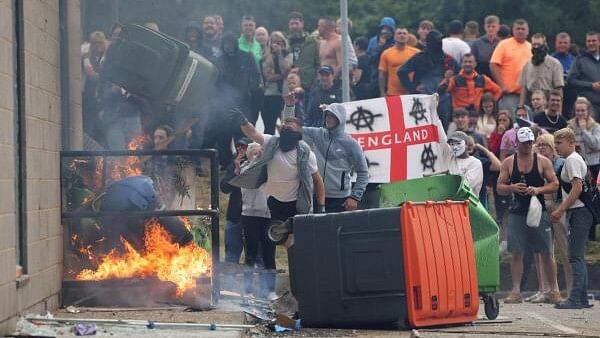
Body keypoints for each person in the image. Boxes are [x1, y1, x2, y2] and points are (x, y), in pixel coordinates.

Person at [230, 111, 326, 236]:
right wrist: (244, 121)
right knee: (281, 238)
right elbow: (253, 133)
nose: (285, 130)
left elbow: (318, 181)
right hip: (274, 200)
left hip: (296, 203)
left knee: (299, 238)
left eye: (289, 128)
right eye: (284, 127)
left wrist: (321, 206)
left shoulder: (306, 154)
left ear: (297, 135)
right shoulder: (271, 142)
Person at [497, 127, 562, 304]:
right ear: (517, 143)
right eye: (524, 143)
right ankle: (516, 290)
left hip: (538, 210)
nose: (527, 146)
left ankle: (554, 290)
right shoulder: (509, 163)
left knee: (547, 251)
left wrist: (539, 189)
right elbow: (499, 187)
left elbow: (555, 184)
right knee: (516, 252)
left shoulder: (542, 161)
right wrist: (512, 188)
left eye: (530, 143)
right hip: (517, 211)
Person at [284, 103, 369, 212]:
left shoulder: (351, 144)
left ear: (340, 119)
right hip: (315, 195)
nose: (328, 118)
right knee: (315, 229)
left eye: (332, 116)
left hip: (340, 200)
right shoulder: (316, 134)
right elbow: (291, 129)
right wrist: (289, 106)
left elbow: (363, 172)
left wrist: (355, 197)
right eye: (327, 115)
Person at [552, 128, 595, 309]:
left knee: (575, 256)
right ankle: (582, 298)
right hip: (580, 211)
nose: (556, 147)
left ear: (571, 143)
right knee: (578, 256)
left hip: (579, 211)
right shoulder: (574, 159)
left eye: (559, 143)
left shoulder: (571, 160)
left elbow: (576, 188)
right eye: (555, 143)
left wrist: (561, 209)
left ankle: (575, 299)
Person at [534, 133, 572, 298]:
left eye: (545, 144)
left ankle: (572, 290)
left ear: (552, 146)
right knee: (544, 250)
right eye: (539, 144)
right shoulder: (535, 163)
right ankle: (548, 290)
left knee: (565, 250)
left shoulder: (561, 163)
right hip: (541, 207)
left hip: (558, 205)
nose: (542, 147)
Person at [399, 30, 459, 128]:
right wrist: (413, 89)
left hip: (442, 99)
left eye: (441, 40)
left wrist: (450, 81)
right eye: (437, 40)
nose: (439, 42)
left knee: (442, 130)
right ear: (430, 42)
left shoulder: (447, 59)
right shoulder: (419, 58)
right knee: (423, 128)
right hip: (423, 99)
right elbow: (402, 72)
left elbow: (458, 72)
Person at [240, 142, 276, 298]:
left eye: (259, 152)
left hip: (267, 216)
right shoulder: (245, 169)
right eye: (253, 152)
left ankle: (270, 290)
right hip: (249, 215)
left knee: (269, 254)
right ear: (248, 154)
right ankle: (248, 290)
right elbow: (251, 178)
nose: (256, 154)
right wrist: (257, 160)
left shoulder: (269, 169)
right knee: (251, 253)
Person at [490, 19, 532, 111]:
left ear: (528, 31)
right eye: (518, 29)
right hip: (509, 94)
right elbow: (493, 64)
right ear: (513, 30)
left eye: (523, 29)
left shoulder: (531, 47)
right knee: (510, 122)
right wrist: (502, 85)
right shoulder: (504, 44)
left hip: (527, 95)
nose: (520, 31)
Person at [220, 138, 251, 264]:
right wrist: (236, 170)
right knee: (231, 257)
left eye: (243, 147)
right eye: (238, 147)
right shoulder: (234, 163)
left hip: (253, 216)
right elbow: (224, 187)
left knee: (252, 257)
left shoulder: (260, 163)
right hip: (234, 216)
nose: (239, 149)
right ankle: (229, 283)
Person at [519, 33, 564, 106]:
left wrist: (558, 109)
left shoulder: (555, 64)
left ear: (544, 45)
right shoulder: (527, 65)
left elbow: (559, 88)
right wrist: (520, 107)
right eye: (534, 45)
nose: (536, 47)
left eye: (539, 45)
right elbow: (524, 88)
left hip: (549, 102)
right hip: (531, 102)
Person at [261, 32, 293, 135]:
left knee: (287, 126)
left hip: (284, 94)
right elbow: (268, 77)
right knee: (269, 127)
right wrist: (282, 75)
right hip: (270, 94)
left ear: (283, 43)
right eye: (274, 42)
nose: (276, 45)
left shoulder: (288, 55)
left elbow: (286, 69)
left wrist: (280, 54)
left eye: (279, 42)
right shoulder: (265, 57)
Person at [378, 27, 419, 96]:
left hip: (411, 93)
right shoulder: (386, 53)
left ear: (408, 37)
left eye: (404, 33)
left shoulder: (416, 53)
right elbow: (382, 74)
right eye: (399, 33)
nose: (402, 35)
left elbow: (423, 71)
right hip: (392, 93)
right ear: (394, 36)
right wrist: (382, 92)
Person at [568, 31, 600, 116]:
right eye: (588, 41)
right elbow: (571, 80)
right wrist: (591, 85)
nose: (591, 43)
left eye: (594, 41)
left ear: (599, 42)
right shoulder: (580, 59)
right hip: (589, 107)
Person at [287, 11, 320, 90]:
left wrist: (315, 81)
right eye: (292, 24)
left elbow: (318, 63)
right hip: (289, 84)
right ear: (288, 25)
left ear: (302, 24)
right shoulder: (285, 43)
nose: (294, 26)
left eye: (296, 23)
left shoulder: (312, 42)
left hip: (308, 84)